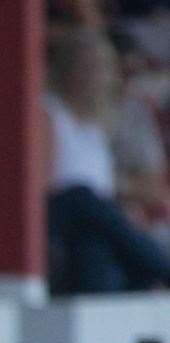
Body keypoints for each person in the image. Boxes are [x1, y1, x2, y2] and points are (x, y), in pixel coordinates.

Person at [44, 26, 170, 293]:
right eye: (87, 67)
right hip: (56, 210)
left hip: (91, 220)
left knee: (96, 249)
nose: (95, 77)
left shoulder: (95, 126)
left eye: (101, 68)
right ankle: (164, 267)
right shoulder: (49, 112)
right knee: (83, 197)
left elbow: (140, 187)